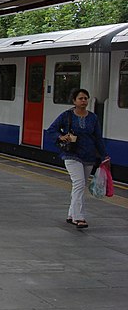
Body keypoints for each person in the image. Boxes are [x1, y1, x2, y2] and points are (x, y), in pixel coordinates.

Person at [46, 88, 109, 229]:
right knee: (79, 183)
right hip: (71, 154)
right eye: (80, 98)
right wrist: (60, 136)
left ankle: (71, 214)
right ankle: (79, 217)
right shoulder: (67, 116)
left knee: (81, 186)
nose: (84, 101)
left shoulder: (93, 118)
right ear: (74, 101)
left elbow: (98, 138)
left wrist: (105, 155)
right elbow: (52, 130)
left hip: (89, 155)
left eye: (86, 98)